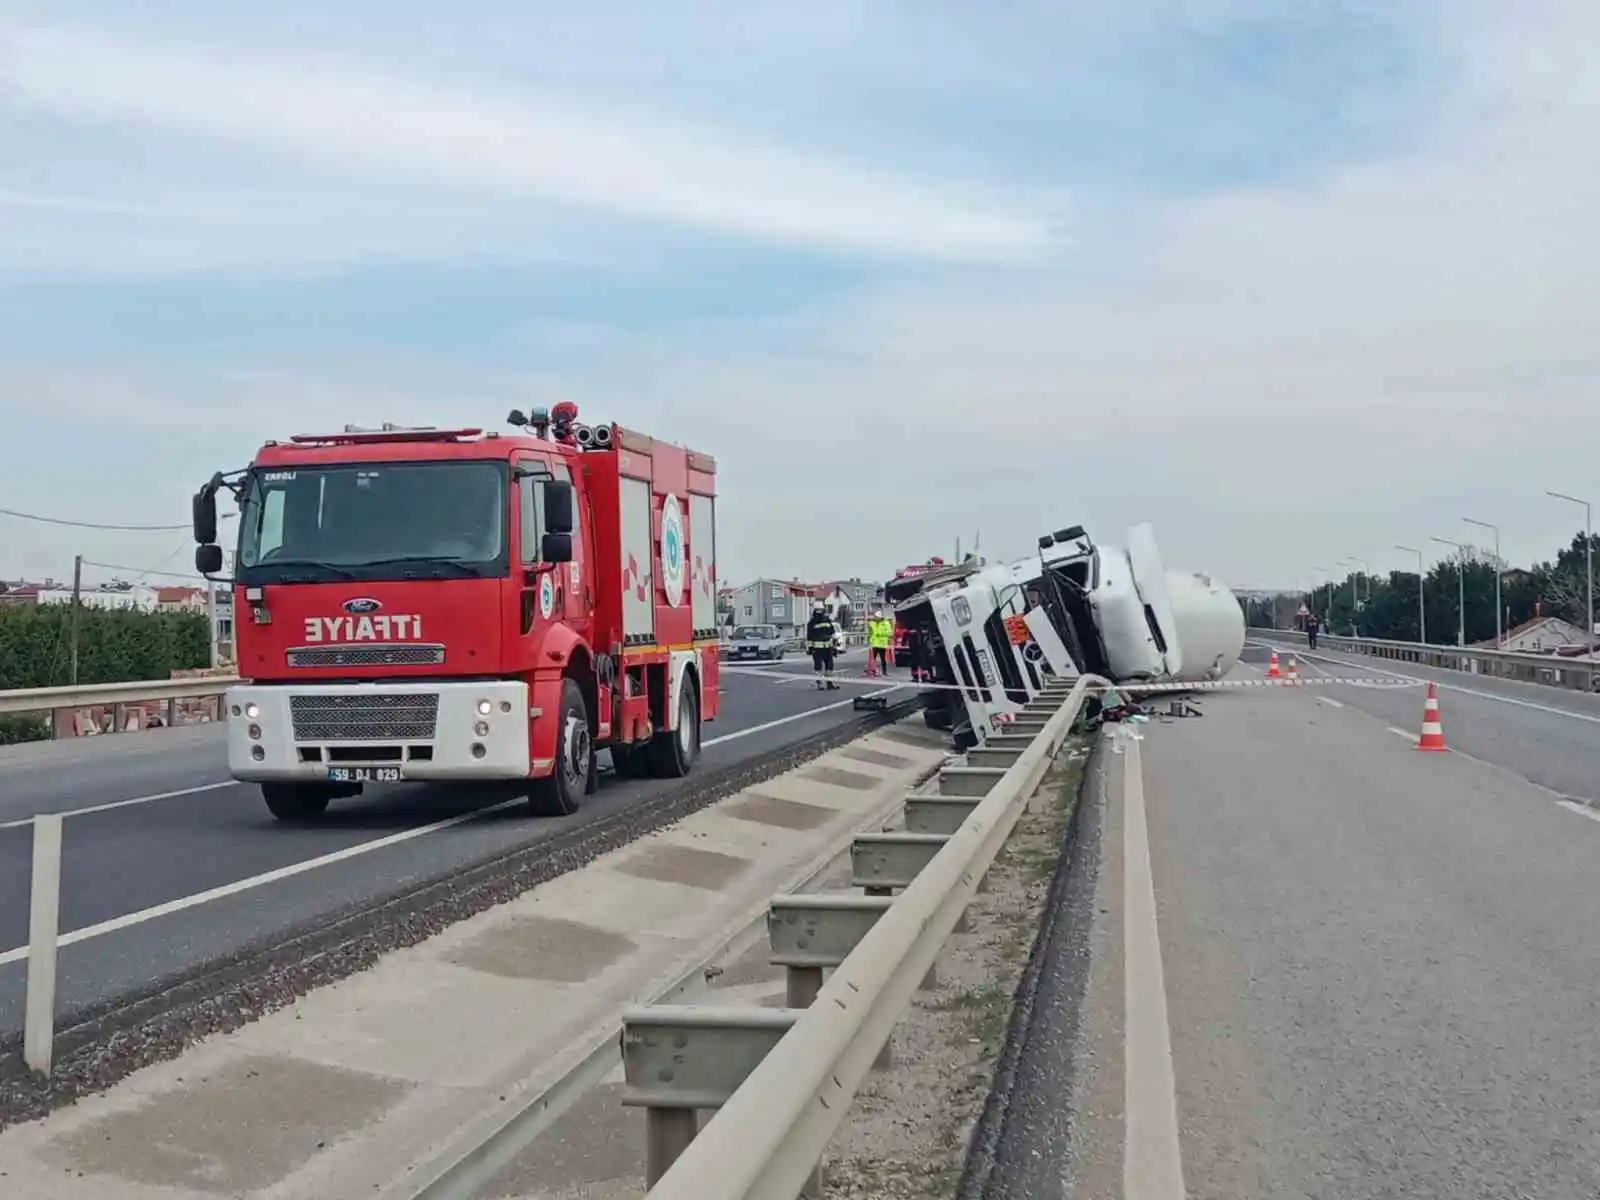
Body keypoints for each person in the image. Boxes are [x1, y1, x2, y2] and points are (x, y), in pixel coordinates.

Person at [806, 602, 839, 690]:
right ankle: (825, 684)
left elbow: (809, 637)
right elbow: (832, 634)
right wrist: (834, 646)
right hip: (822, 649)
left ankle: (826, 683)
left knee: (826, 666)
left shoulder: (813, 622)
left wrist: (810, 649)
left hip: (822, 648)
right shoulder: (822, 621)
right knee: (823, 666)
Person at [867, 610, 893, 677]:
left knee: (883, 659)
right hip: (874, 644)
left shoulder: (886, 623)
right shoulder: (873, 623)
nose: (875, 618)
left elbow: (889, 633)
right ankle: (873, 671)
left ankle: (884, 671)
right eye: (875, 617)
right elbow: (870, 632)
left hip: (882, 644)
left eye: (876, 617)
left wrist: (881, 634)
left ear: (880, 617)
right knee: (873, 659)